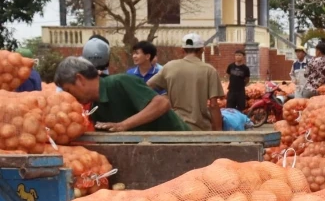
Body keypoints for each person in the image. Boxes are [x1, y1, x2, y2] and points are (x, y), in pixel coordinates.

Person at [54, 56, 189, 132]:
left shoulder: (120, 82)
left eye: (68, 90)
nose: (70, 97)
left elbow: (162, 103)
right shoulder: (95, 107)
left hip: (180, 142)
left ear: (80, 79)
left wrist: (123, 125)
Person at [148, 33, 225, 131]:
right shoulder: (209, 70)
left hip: (174, 125)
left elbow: (147, 87)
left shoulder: (169, 66)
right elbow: (213, 105)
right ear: (202, 49)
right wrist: (219, 131)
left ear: (182, 50)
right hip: (200, 129)